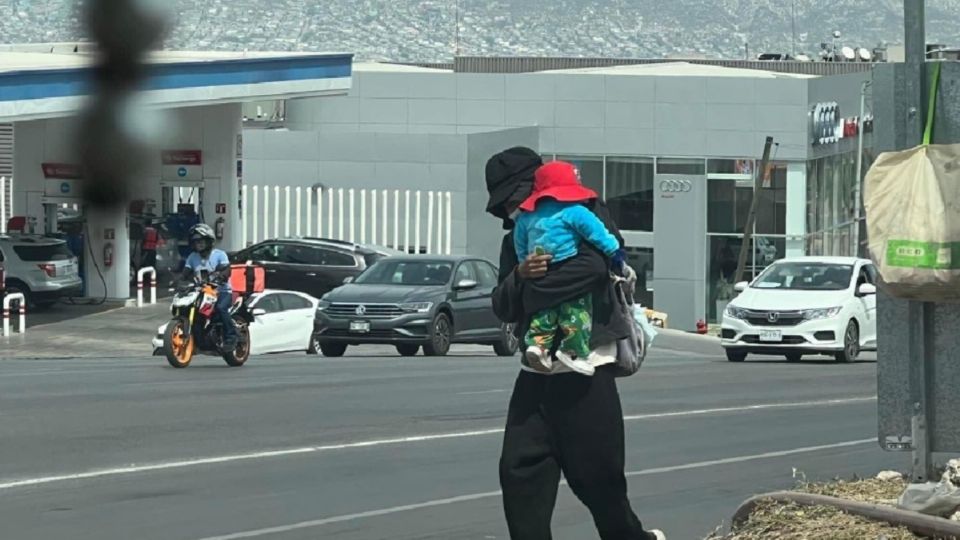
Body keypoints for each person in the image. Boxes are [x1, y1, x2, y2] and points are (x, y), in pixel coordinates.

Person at [486, 147, 666, 540]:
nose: (512, 210)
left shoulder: (584, 210)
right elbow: (501, 304)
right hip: (536, 370)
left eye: (514, 198)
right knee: (519, 469)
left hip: (588, 369)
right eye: (506, 205)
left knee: (598, 481)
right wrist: (519, 274)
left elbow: (595, 268)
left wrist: (527, 291)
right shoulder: (517, 238)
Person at [514, 160, 623, 376]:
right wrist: (616, 253)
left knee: (544, 313)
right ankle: (573, 351)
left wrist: (524, 264)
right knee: (576, 313)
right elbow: (598, 233)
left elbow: (519, 244)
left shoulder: (526, 217)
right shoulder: (574, 211)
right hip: (569, 263)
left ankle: (537, 345)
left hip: (541, 269)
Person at [180, 223, 237, 350]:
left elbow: (227, 270)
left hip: (222, 291)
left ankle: (231, 337)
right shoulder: (192, 257)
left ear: (209, 241)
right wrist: (177, 280)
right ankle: (200, 341)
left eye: (201, 241)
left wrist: (222, 276)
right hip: (202, 292)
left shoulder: (220, 254)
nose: (198, 244)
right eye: (195, 242)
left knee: (221, 309)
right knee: (191, 310)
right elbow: (185, 273)